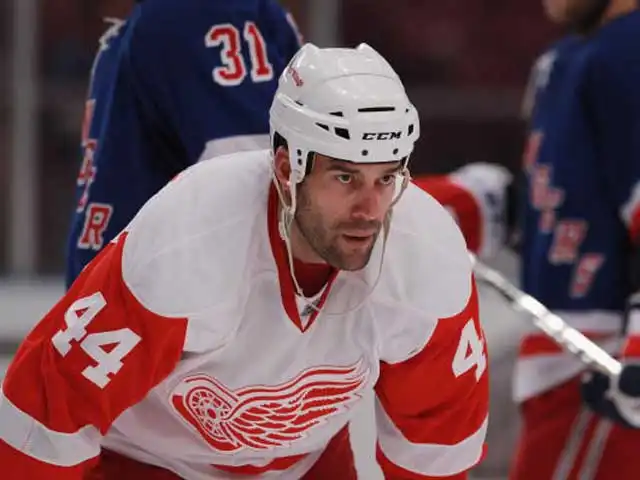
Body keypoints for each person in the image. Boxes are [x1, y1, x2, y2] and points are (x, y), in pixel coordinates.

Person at [0, 43, 489, 479]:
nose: (370, 210)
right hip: (146, 461)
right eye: (344, 178)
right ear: (286, 168)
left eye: (386, 178)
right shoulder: (189, 241)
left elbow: (433, 453)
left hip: (304, 463)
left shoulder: (427, 258)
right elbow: (45, 417)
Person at [65, 0, 302, 288]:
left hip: (141, 295)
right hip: (142, 296)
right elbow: (261, 182)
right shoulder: (175, 17)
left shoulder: (179, 15)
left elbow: (260, 179)